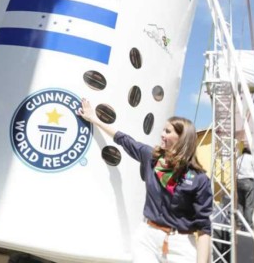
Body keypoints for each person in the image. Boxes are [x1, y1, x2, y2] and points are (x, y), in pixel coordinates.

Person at [77, 98, 212, 263]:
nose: (162, 135)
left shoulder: (199, 179)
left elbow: (204, 228)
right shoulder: (151, 158)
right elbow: (124, 140)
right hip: (147, 237)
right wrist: (94, 119)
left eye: (168, 131)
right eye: (163, 130)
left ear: (182, 138)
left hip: (180, 244)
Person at [236, 147, 254, 230]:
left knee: (240, 204)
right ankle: (249, 225)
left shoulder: (238, 159)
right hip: (248, 181)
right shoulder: (251, 158)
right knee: (249, 205)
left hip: (239, 181)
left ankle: (239, 223)